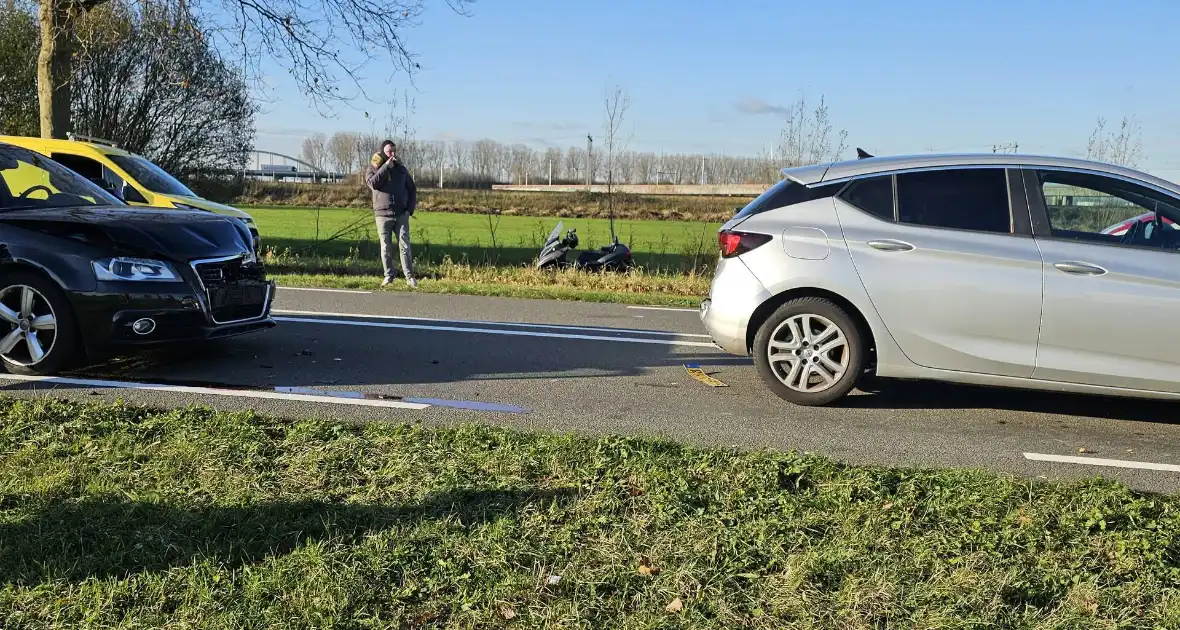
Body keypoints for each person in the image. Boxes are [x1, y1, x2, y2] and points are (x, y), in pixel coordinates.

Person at [365, 140, 418, 287]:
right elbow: (373, 183)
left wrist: (409, 209)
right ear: (382, 152)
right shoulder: (373, 167)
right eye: (389, 151)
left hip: (401, 213)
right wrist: (385, 167)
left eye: (394, 151)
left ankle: (409, 277)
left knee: (405, 246)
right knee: (385, 247)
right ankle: (389, 276)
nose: (392, 154)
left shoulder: (401, 169)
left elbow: (412, 188)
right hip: (382, 215)